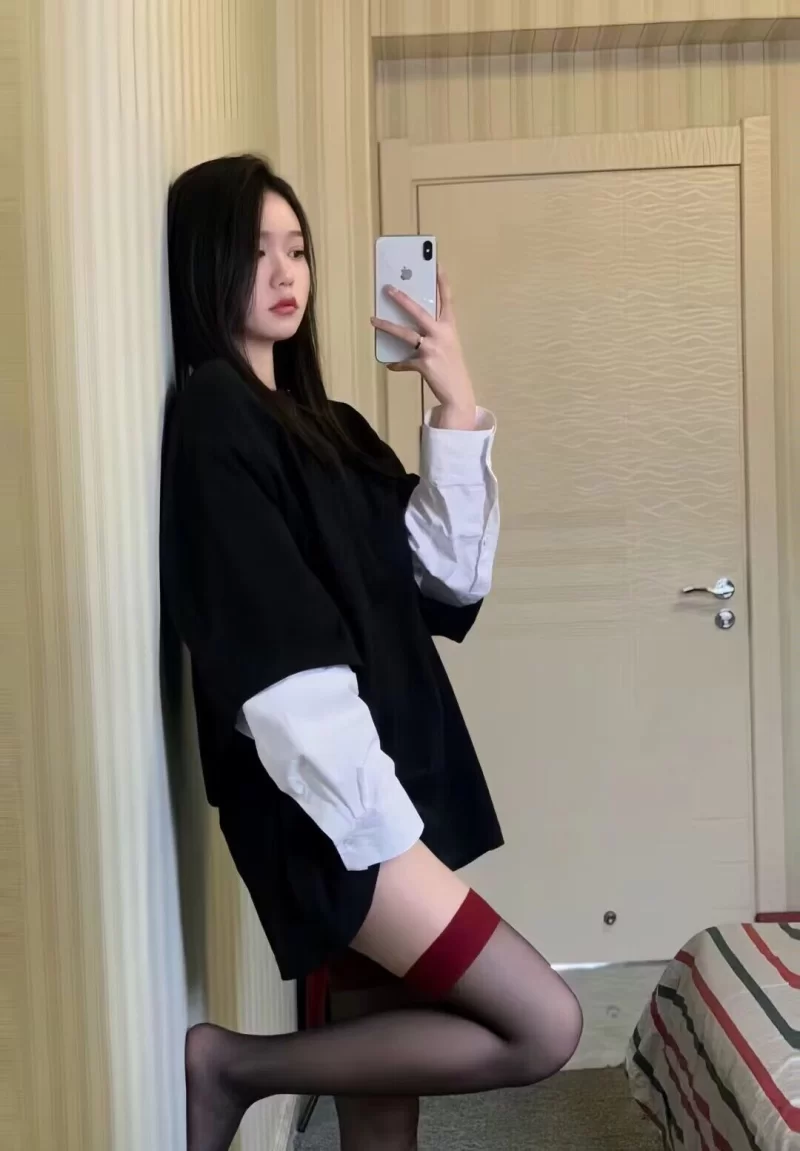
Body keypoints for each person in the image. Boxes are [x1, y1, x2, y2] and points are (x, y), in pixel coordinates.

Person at [161, 154, 583, 1151]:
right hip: (334, 807)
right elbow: (273, 651)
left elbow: (444, 579)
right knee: (544, 1022)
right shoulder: (216, 412)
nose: (284, 273)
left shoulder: (330, 427)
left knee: (384, 1124)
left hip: (378, 791)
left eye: (297, 249)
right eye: (255, 251)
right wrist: (378, 827)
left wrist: (454, 396)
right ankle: (233, 1066)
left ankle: (236, 1068)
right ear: (205, 263)